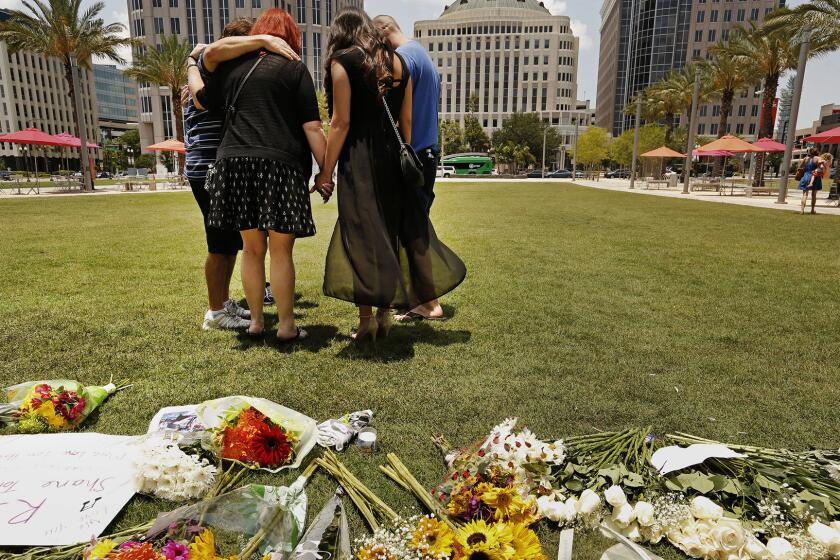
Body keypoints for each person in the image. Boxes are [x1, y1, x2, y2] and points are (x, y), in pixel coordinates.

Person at [315, 7, 466, 341]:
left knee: (363, 238)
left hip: (359, 160)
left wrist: (325, 171)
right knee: (388, 234)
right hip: (393, 160)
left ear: (340, 33)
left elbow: (340, 123)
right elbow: (406, 123)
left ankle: (366, 319)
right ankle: (385, 314)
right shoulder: (397, 63)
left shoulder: (343, 61)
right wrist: (401, 158)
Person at [202, 8, 327, 340]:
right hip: (279, 163)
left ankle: (257, 322)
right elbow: (313, 127)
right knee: (281, 251)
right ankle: (286, 326)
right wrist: (326, 172)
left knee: (252, 248)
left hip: (236, 162)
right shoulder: (293, 68)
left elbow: (204, 88)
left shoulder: (230, 69)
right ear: (291, 36)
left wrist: (190, 67)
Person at [184, 18, 300, 331]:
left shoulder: (217, 75)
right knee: (220, 244)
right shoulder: (212, 71)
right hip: (209, 166)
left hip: (216, 166)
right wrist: (193, 63)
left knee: (231, 242)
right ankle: (215, 311)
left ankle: (223, 304)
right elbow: (207, 67)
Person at [374, 15, 449, 323]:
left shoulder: (402, 59)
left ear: (381, 32)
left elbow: (397, 114)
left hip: (412, 154)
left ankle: (429, 303)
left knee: (414, 228)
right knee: (412, 226)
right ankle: (416, 298)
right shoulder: (424, 58)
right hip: (427, 151)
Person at [798, 148, 829, 215]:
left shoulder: (805, 159)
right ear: (816, 152)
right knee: (814, 195)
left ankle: (802, 210)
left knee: (804, 195)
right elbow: (822, 166)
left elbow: (800, 168)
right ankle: (812, 210)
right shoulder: (818, 158)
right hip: (815, 177)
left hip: (806, 176)